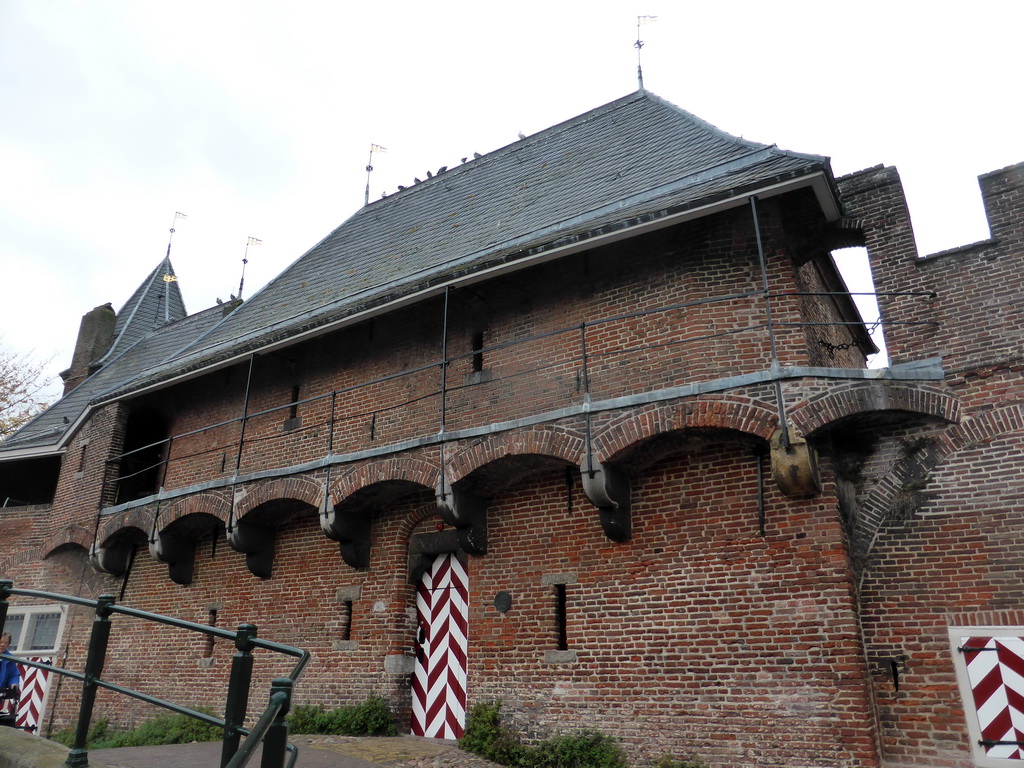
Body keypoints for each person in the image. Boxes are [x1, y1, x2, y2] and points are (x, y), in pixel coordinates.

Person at [0, 631, 19, 718]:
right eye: (1, 642)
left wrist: (14, 683)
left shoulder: (9, 659)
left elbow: (13, 674)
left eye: (6, 643)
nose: (3, 645)